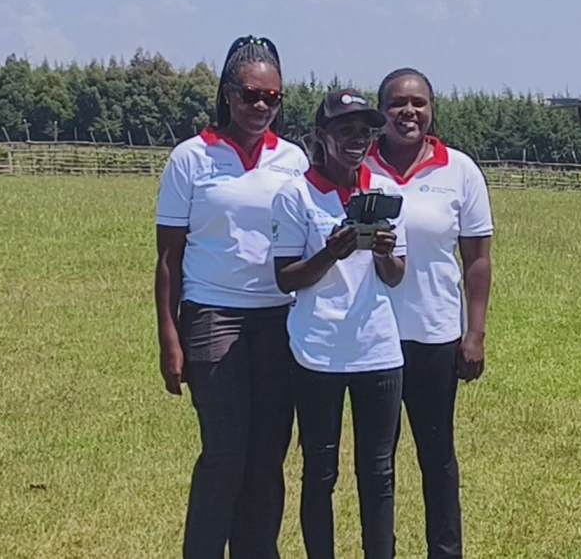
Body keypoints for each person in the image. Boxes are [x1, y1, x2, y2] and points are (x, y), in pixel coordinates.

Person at [154, 35, 309, 559]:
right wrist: (168, 338)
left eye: (272, 97)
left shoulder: (292, 159)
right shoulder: (190, 158)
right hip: (212, 317)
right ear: (226, 94)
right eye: (249, 95)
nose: (261, 106)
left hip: (278, 320)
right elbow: (168, 259)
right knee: (225, 453)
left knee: (267, 457)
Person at [270, 88, 407, 559]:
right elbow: (286, 279)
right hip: (317, 351)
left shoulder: (385, 192)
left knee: (379, 472)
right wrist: (330, 252)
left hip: (378, 350)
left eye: (365, 132)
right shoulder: (295, 195)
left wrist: (386, 255)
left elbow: (395, 275)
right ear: (321, 136)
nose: (357, 140)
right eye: (345, 130)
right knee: (320, 472)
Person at [367, 67, 494, 559]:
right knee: (377, 464)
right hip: (372, 340)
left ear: (432, 109)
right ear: (381, 111)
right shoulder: (361, 167)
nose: (409, 112)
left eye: (419, 102)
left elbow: (477, 259)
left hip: (436, 336)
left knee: (437, 458)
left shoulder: (459, 170)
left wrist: (474, 332)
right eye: (398, 102)